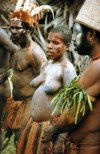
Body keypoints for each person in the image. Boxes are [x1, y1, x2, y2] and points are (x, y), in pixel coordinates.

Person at [41, 0, 100, 154]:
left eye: (76, 32)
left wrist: (50, 132)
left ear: (92, 35)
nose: (73, 38)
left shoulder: (98, 67)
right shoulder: (94, 64)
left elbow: (74, 114)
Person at [30, 26, 77, 122]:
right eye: (48, 41)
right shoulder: (46, 65)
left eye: (55, 43)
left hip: (50, 127)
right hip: (33, 125)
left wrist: (60, 133)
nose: (49, 46)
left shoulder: (67, 69)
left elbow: (72, 104)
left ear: (67, 46)